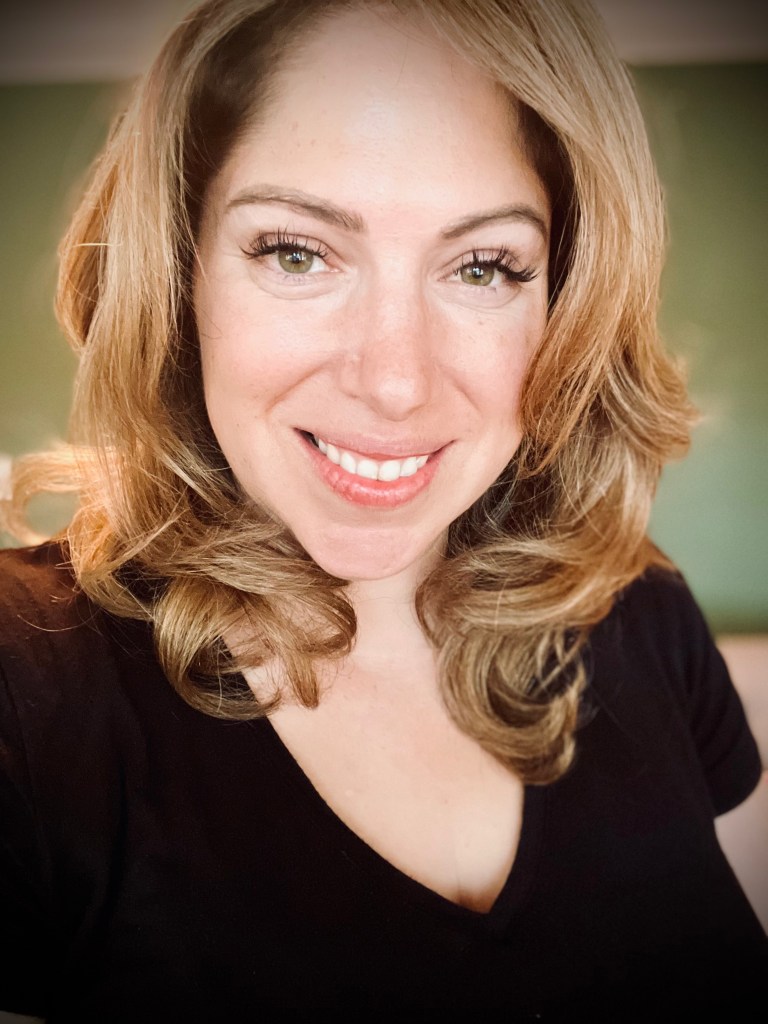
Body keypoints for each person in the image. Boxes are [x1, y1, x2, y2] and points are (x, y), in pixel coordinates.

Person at [1, 0, 765, 1018]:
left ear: (567, 301)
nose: (397, 383)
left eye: (483, 267)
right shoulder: (27, 685)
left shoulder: (637, 607)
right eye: (297, 253)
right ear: (178, 273)